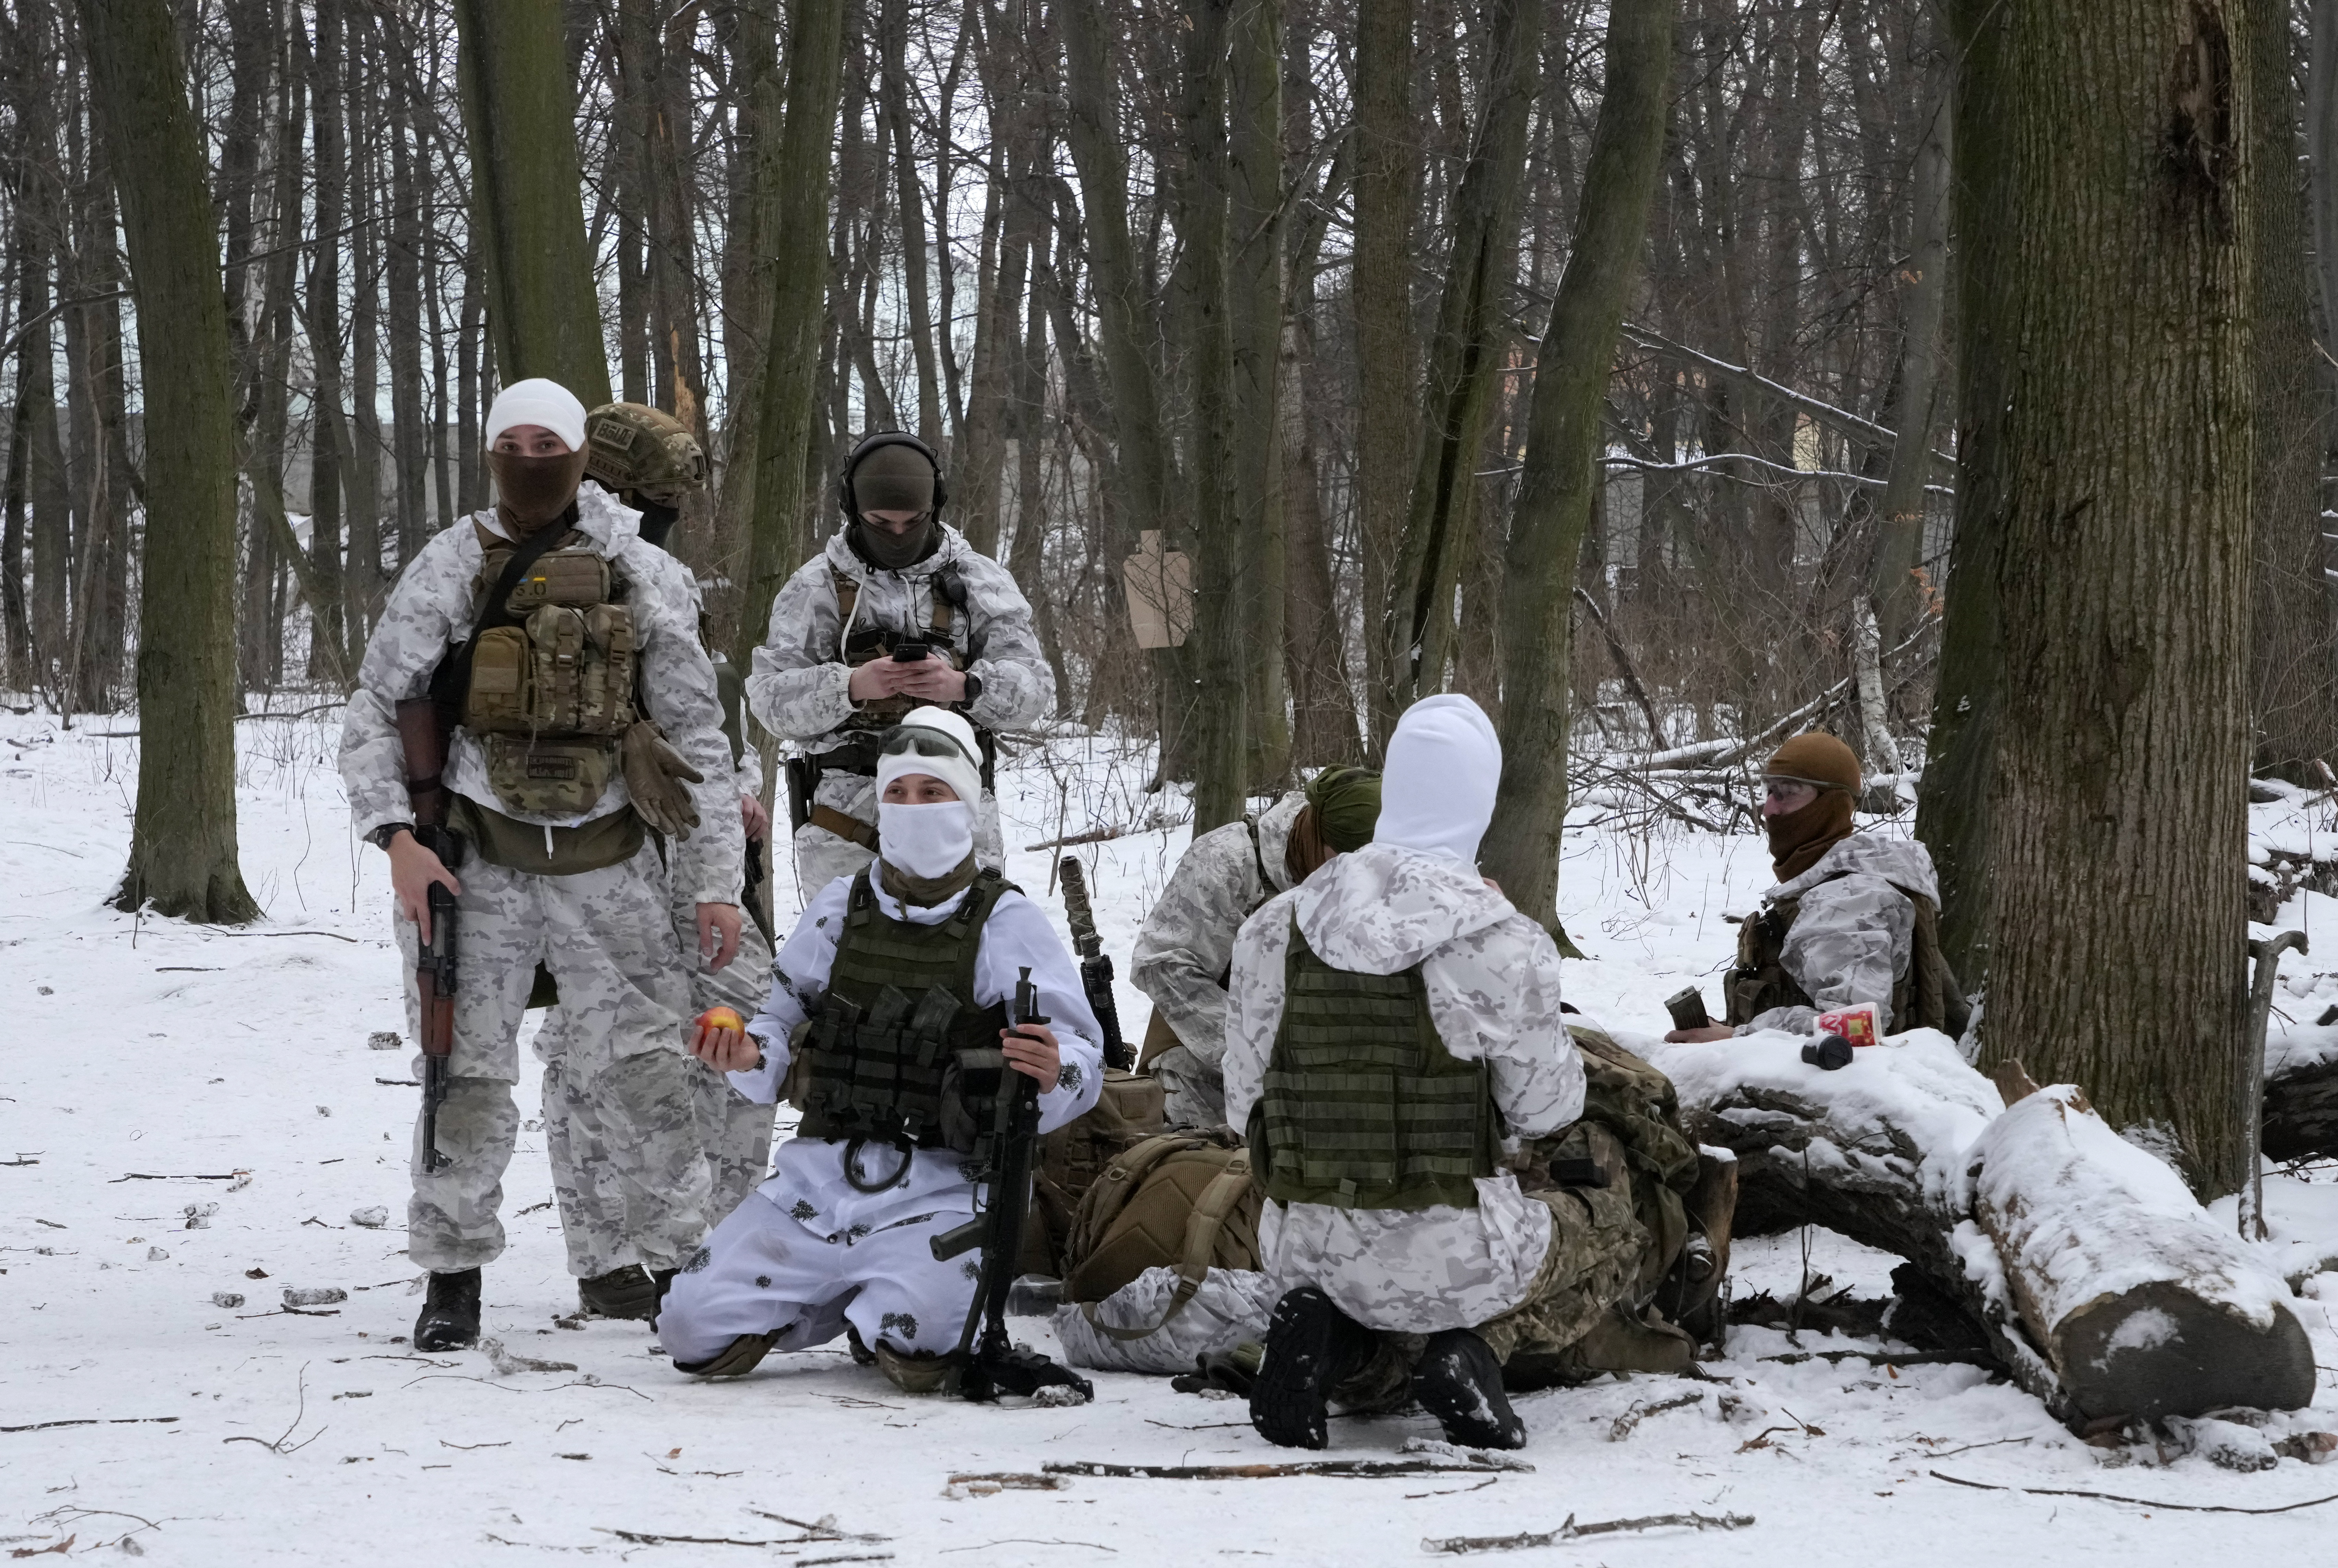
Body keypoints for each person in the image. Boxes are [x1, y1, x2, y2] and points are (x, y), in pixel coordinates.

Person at [340, 378, 745, 1351]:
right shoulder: (453, 561)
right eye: (510, 440)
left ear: (575, 451)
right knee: (464, 1077)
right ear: (490, 450)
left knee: (644, 1073)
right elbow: (376, 705)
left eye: (546, 441)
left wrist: (715, 881)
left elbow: (698, 735)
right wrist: (396, 838)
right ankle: (453, 1276)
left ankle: (682, 1268)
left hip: (610, 865)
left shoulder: (638, 570)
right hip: (479, 863)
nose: (528, 457)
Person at [1224, 696, 1656, 1452]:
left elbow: (1242, 1107)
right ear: (1479, 801)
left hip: (1301, 1245)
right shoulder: (1499, 937)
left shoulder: (1273, 926)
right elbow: (1548, 1105)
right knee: (1610, 1222)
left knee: (1374, 1300)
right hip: (1457, 1256)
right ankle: (1476, 1351)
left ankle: (1333, 1347)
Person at [660, 706, 1106, 1392]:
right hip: (820, 1179)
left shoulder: (1005, 920)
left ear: (966, 803)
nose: (913, 807)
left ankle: (881, 1298)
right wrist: (747, 1055)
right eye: (897, 792)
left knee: (926, 1352)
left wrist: (1054, 1072)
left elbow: (1080, 1048)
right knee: (689, 1329)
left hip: (944, 1186)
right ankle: (838, 1292)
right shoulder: (839, 907)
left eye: (933, 791)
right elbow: (777, 1025)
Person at [522, 403, 780, 1322]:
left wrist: (734, 792)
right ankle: (606, 1256)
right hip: (596, 849)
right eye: (659, 493)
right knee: (590, 1046)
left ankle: (712, 1234)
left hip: (691, 847)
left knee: (740, 1018)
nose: (672, 509)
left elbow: (703, 710)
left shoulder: (662, 571)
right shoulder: (554, 560)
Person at [746, 431, 1053, 895]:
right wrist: (850, 686)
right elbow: (769, 703)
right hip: (845, 821)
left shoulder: (979, 581)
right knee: (846, 961)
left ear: (936, 507)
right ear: (852, 507)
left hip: (956, 813)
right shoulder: (815, 587)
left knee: (963, 957)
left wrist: (964, 687)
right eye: (879, 521)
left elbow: (1034, 691)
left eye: (912, 521)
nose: (896, 533)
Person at [1663, 731, 1964, 1044]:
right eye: (1770, 792)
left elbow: (1856, 1030)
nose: (1768, 810)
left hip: (1837, 1089)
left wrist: (1740, 1036)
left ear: (1831, 805)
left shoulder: (1849, 900)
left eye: (1787, 794)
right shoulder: (1842, 881)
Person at [1130, 765, 1382, 1128]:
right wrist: (1260, 1057)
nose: (1355, 880)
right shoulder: (1225, 862)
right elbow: (1162, 966)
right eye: (1343, 862)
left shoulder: (1378, 875)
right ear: (1315, 836)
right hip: (1203, 1070)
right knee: (1213, 1179)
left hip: (1321, 1078)